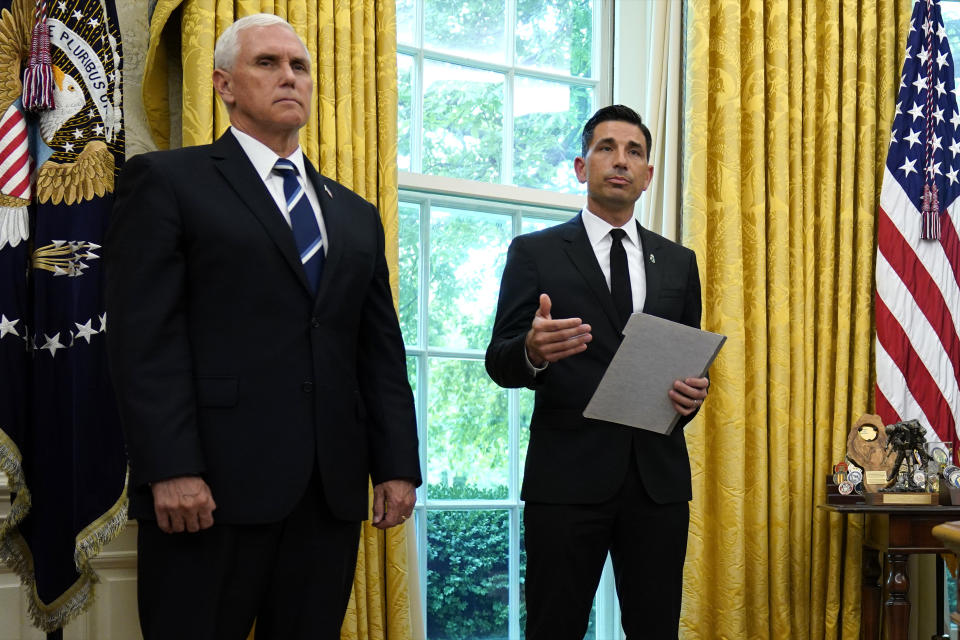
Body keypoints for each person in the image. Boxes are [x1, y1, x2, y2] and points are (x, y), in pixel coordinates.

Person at [105, 13, 420, 640]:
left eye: (299, 66)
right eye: (267, 63)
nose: (289, 77)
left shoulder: (355, 216)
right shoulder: (168, 182)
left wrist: (396, 465)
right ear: (223, 84)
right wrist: (171, 467)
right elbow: (145, 339)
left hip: (326, 495)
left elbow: (379, 351)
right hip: (207, 491)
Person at [485, 104, 709, 639]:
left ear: (648, 175)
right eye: (606, 147)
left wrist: (693, 395)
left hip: (656, 483)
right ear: (582, 166)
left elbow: (688, 363)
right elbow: (500, 359)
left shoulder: (679, 262)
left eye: (634, 151)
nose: (620, 160)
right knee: (552, 626)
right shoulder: (535, 252)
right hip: (566, 480)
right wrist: (533, 351)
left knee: (656, 630)